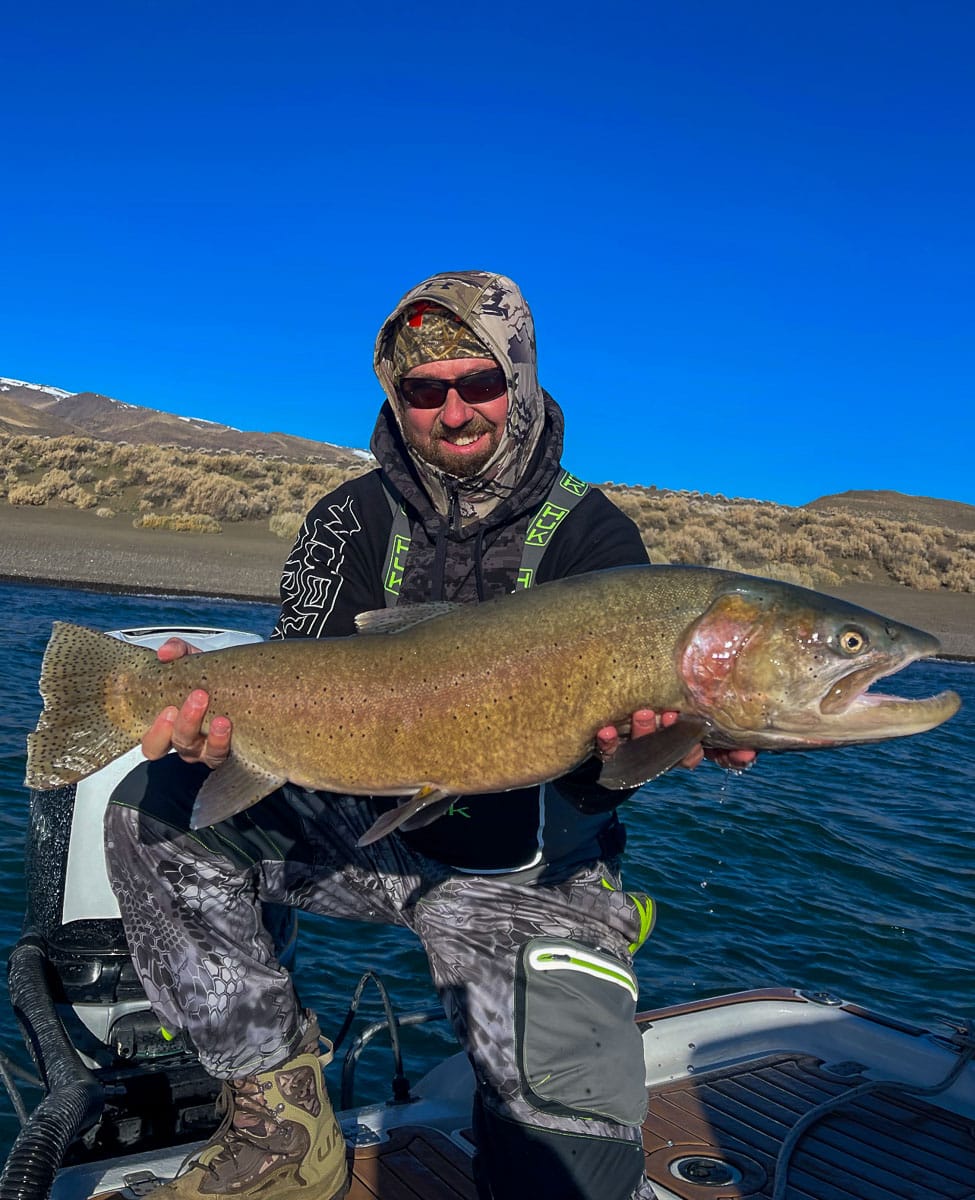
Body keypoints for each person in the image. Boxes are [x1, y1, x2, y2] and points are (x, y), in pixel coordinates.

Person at [105, 270, 754, 1200]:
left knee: (567, 1180)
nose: (453, 412)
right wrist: (219, 734)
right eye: (423, 390)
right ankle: (282, 1123)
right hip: (362, 838)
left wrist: (645, 752)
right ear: (394, 397)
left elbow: (600, 778)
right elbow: (305, 682)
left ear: (519, 379)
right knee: (151, 810)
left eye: (477, 383)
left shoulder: (595, 541)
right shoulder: (346, 521)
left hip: (532, 879)